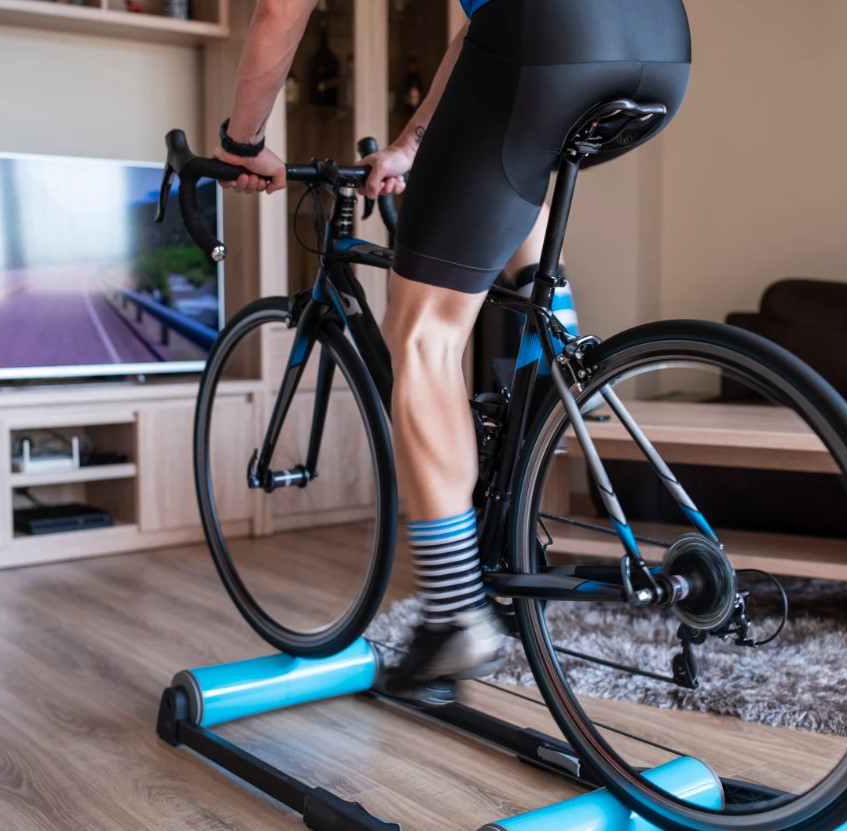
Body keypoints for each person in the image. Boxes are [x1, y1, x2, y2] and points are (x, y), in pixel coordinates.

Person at [215, 0, 691, 699]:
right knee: (514, 164)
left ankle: (452, 612)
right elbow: (479, 30)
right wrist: (410, 144)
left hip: (542, 36)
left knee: (421, 335)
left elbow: (277, 9)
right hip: (657, 42)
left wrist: (243, 141)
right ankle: (547, 324)